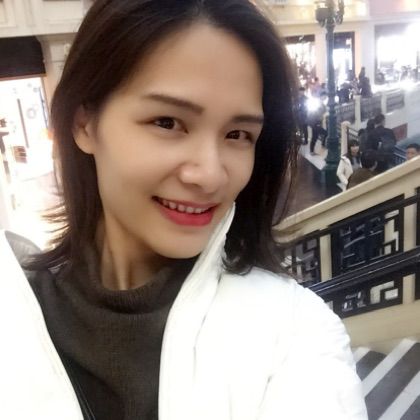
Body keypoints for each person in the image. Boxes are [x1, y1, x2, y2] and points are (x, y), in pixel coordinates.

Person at [0, 1, 367, 419]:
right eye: (168, 122)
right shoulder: (13, 314)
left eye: (237, 134)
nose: (209, 175)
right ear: (84, 124)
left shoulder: (294, 333)